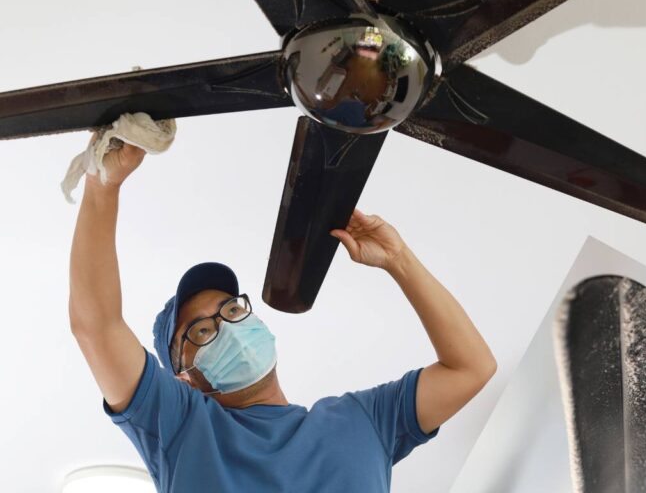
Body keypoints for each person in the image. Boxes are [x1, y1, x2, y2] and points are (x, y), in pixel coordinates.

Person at [68, 139, 497, 493]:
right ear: (186, 378)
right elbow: (97, 327)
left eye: (232, 308)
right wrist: (102, 186)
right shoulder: (185, 429)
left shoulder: (362, 421)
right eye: (201, 330)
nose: (228, 327)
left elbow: (472, 368)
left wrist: (399, 259)